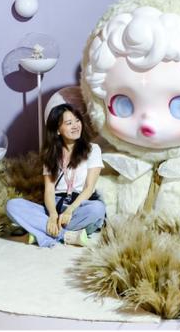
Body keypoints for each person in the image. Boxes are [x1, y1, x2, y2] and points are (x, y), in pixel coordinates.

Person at [6, 103, 106, 247]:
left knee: (97, 209)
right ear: (58, 130)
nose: (75, 126)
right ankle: (66, 235)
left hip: (79, 205)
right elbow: (49, 190)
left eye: (77, 120)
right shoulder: (51, 154)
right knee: (12, 205)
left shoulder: (93, 150)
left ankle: (39, 231)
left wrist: (70, 210)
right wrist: (53, 215)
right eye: (69, 123)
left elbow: (89, 188)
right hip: (55, 204)